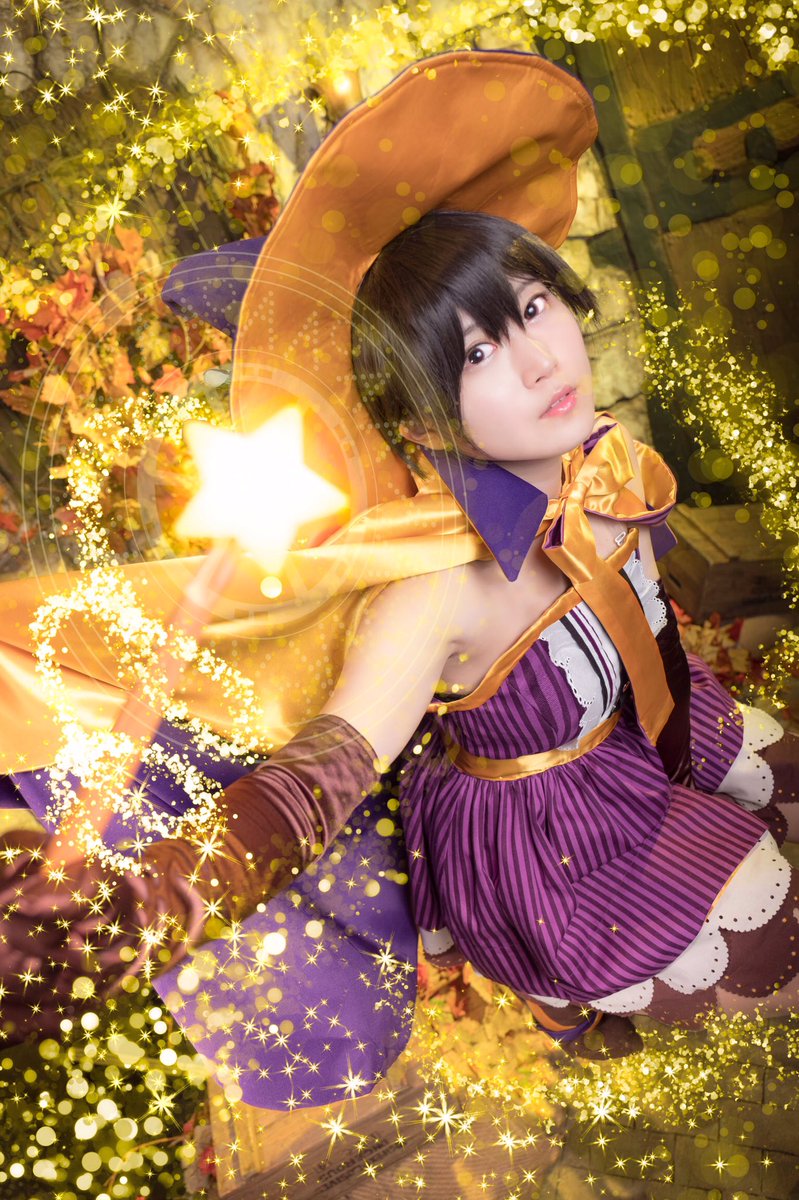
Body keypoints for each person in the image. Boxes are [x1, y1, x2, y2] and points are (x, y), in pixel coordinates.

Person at [0, 48, 797, 1108]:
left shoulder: (606, 458)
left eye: (530, 306)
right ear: (418, 423)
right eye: (473, 355)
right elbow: (320, 778)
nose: (538, 361)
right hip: (549, 835)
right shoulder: (434, 585)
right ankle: (561, 990)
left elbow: (642, 629)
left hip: (648, 726)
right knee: (772, 936)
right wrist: (149, 909)